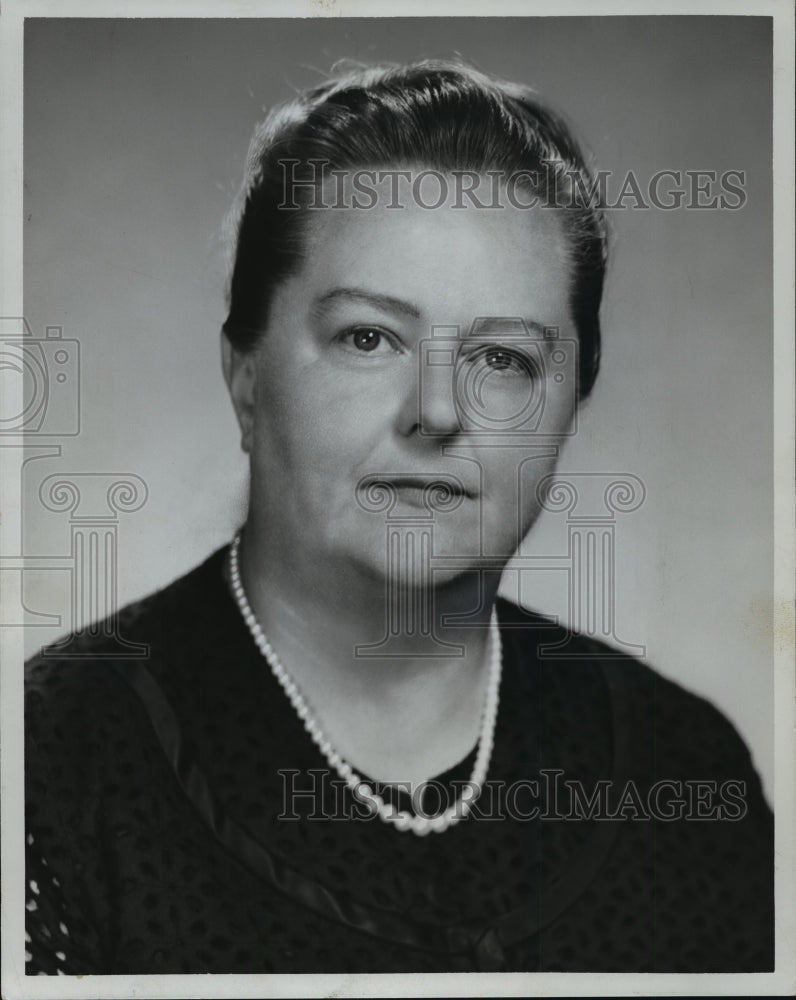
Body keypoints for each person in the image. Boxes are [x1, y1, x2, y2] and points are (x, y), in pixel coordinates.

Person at [25, 60, 773, 975]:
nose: (440, 410)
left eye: (503, 358)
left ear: (573, 402)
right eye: (369, 338)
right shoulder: (45, 763)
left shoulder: (684, 769)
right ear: (246, 377)